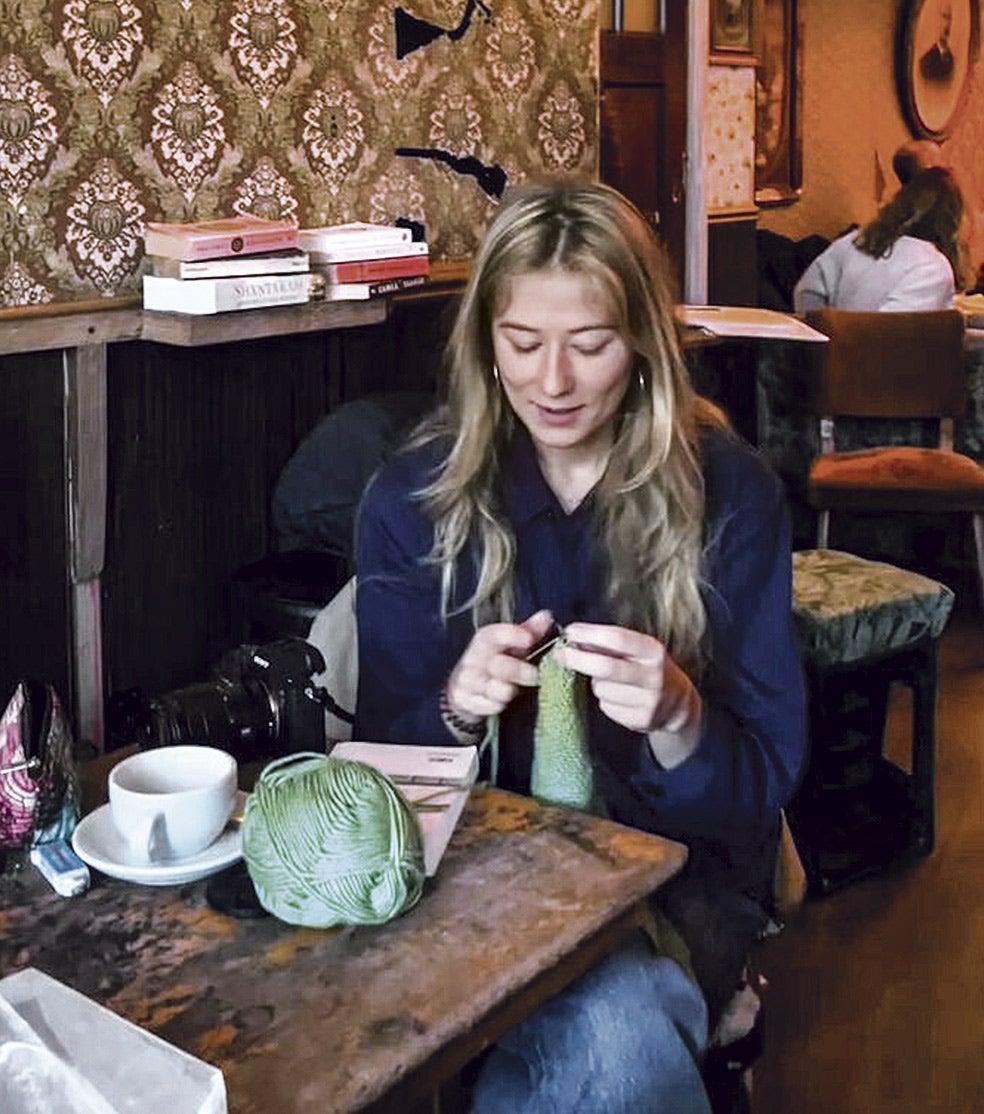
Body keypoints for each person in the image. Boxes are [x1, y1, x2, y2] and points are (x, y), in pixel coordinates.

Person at [354, 178, 807, 1113]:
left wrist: (682, 717)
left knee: (613, 1033)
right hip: (473, 872)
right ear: (484, 342)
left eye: (591, 344)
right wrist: (451, 708)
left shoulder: (733, 495)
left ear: (642, 341)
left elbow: (762, 784)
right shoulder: (411, 501)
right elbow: (384, 773)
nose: (553, 382)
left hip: (677, 872)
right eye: (523, 343)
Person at [793, 165, 967, 313]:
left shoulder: (855, 241)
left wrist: (827, 336)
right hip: (892, 351)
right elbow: (894, 324)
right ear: (952, 219)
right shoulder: (934, 266)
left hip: (837, 349)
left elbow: (807, 291)